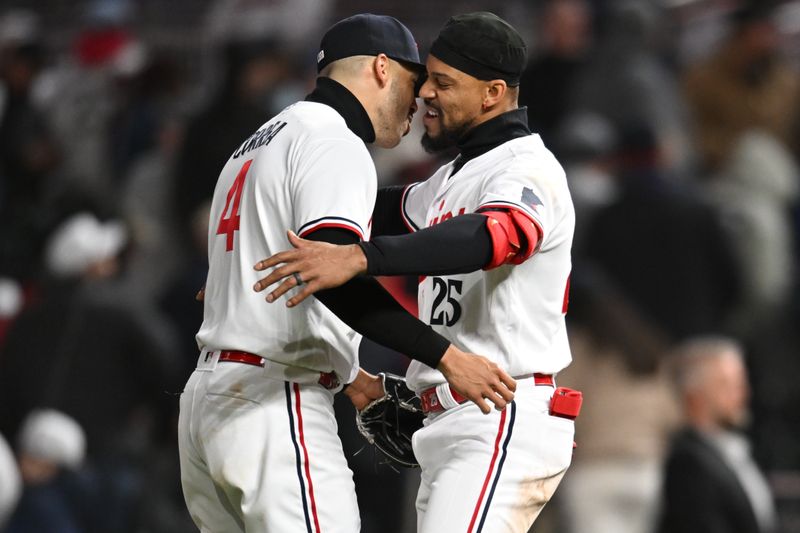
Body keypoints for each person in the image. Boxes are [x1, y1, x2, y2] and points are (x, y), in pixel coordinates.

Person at [178, 14, 515, 533]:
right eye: (413, 77)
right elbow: (333, 275)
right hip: (274, 400)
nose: (421, 95)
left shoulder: (260, 142)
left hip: (210, 400)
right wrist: (447, 357)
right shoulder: (333, 141)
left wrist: (354, 379)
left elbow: (281, 279)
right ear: (382, 68)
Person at [254, 12, 576, 532]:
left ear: (493, 93)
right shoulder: (449, 178)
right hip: (449, 414)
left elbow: (488, 238)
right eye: (427, 75)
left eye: (444, 82)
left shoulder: (526, 167)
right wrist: (255, 237)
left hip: (502, 410)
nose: (424, 91)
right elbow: (349, 208)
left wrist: (363, 257)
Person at [658, 337, 778, 533]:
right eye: (727, 384)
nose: (742, 393)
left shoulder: (731, 452)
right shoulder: (687, 462)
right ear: (694, 395)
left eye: (741, 382)